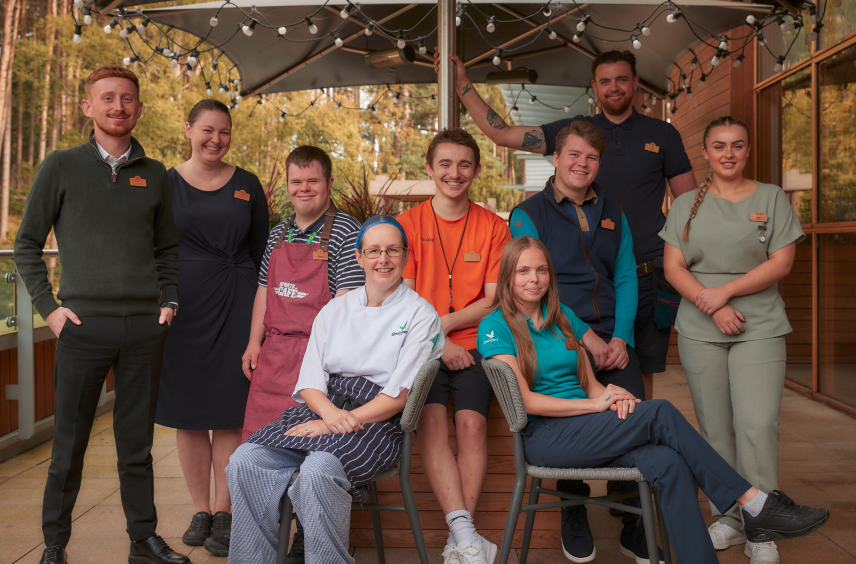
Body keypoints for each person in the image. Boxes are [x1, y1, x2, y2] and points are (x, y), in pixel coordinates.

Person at [477, 236, 829, 564]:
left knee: (668, 462)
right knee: (658, 411)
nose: (533, 279)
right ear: (508, 276)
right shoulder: (495, 326)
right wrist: (596, 406)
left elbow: (592, 387)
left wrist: (614, 398)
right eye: (523, 271)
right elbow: (526, 403)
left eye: (541, 270)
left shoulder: (563, 318)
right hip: (546, 438)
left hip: (588, 427)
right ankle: (754, 502)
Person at [441, 48, 696, 403]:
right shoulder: (572, 133)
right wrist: (463, 84)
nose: (615, 87)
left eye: (622, 79)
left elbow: (688, 208)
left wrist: (685, 273)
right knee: (589, 391)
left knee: (640, 385)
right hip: (567, 311)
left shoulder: (662, 134)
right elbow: (501, 134)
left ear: (636, 82)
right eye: (605, 81)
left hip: (646, 277)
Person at [14, 66, 188, 564]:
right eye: (107, 98)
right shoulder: (60, 166)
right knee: (68, 445)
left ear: (138, 108)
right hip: (82, 327)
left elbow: (167, 249)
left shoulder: (154, 174)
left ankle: (143, 540)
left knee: (136, 445)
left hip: (143, 329)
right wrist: (50, 310)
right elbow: (26, 245)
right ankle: (54, 545)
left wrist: (169, 301)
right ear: (88, 107)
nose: (119, 107)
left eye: (127, 99)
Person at [226, 215, 444, 564]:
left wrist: (331, 423)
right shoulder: (336, 308)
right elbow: (311, 382)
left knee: (317, 470)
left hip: (377, 422)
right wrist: (326, 414)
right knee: (244, 461)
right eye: (373, 251)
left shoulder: (420, 314)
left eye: (392, 250)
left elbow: (397, 398)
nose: (383, 259)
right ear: (359, 258)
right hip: (320, 409)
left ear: (405, 255)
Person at [661, 116, 806, 564]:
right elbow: (673, 268)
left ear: (747, 151)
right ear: (705, 153)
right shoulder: (686, 203)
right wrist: (715, 306)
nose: (728, 154)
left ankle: (763, 525)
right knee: (715, 429)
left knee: (758, 425)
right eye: (719, 146)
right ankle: (727, 516)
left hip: (759, 325)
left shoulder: (772, 197)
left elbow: (781, 262)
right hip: (700, 328)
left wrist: (725, 292)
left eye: (737, 146)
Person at [511, 120, 657, 562]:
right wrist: (586, 337)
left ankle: (632, 515)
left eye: (591, 157)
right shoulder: (528, 213)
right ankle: (572, 510)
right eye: (573, 154)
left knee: (633, 416)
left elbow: (627, 273)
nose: (582, 163)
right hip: (557, 334)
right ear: (554, 159)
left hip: (613, 332)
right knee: (567, 424)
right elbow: (533, 284)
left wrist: (620, 337)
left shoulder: (613, 209)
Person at [154, 99, 269, 557]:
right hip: (181, 310)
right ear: (189, 130)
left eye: (224, 131)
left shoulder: (248, 184)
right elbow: (153, 248)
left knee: (229, 411)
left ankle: (225, 510)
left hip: (238, 304)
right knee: (188, 413)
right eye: (207, 130)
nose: (215, 139)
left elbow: (263, 255)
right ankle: (199, 509)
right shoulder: (164, 184)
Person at [241, 145, 364, 562]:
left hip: (318, 360)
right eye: (297, 182)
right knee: (257, 454)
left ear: (329, 184)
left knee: (312, 454)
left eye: (313, 181)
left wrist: (328, 360)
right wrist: (254, 341)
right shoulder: (278, 233)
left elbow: (348, 304)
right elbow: (264, 291)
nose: (304, 188)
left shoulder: (347, 231)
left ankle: (304, 539)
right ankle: (264, 542)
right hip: (273, 358)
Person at [396, 128, 511, 564]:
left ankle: (457, 540)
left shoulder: (492, 227)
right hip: (420, 346)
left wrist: (443, 328)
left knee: (472, 428)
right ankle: (464, 533)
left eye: (464, 164)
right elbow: (402, 298)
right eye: (444, 163)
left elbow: (493, 299)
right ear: (429, 168)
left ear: (476, 170)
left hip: (476, 345)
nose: (454, 172)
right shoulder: (408, 225)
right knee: (429, 426)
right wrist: (437, 340)